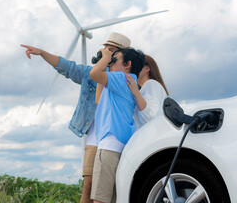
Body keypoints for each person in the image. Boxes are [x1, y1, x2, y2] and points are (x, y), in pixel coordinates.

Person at [20, 32, 130, 203]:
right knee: (88, 185)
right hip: (95, 134)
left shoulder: (125, 78)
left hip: (114, 135)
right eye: (105, 49)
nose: (106, 53)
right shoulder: (90, 73)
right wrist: (42, 53)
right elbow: (67, 67)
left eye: (112, 51)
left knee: (112, 188)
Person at [89, 47, 144, 203]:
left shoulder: (120, 78)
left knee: (100, 199)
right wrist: (106, 65)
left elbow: (93, 74)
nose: (111, 64)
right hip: (123, 146)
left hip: (109, 146)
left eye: (115, 60)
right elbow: (99, 100)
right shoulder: (132, 83)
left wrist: (105, 58)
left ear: (128, 64)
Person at [125, 54, 169, 128]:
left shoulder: (151, 84)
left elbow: (151, 117)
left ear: (147, 68)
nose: (133, 68)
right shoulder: (142, 90)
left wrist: (136, 93)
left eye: (137, 65)